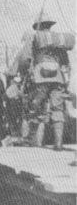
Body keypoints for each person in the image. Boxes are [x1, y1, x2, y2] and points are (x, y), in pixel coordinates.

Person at [24, 14, 71, 150]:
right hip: (57, 77)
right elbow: (65, 61)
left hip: (40, 78)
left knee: (37, 106)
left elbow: (26, 59)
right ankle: (58, 144)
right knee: (58, 108)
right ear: (50, 24)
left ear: (38, 25)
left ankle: (36, 142)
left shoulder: (35, 38)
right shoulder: (59, 39)